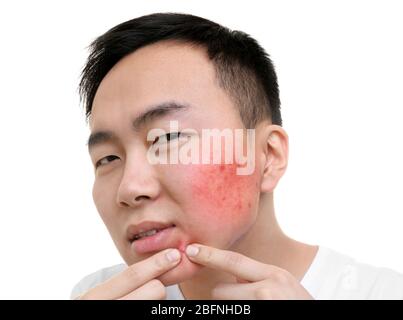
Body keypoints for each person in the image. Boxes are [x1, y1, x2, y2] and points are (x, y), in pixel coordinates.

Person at [71, 12, 403, 300]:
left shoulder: (381, 292)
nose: (129, 188)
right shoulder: (100, 291)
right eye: (108, 159)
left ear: (267, 156)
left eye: (168, 138)